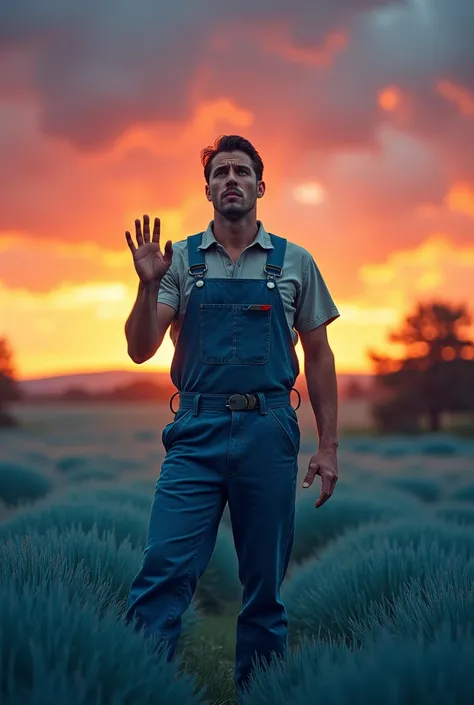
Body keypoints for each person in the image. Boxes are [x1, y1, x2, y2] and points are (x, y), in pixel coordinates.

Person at [123, 134, 340, 698]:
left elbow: (318, 356)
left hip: (269, 431)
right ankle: (143, 689)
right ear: (208, 190)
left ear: (260, 186)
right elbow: (141, 348)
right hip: (195, 434)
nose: (232, 180)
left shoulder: (296, 261)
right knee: (162, 573)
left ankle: (258, 693)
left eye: (241, 171)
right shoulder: (179, 263)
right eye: (221, 173)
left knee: (264, 588)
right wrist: (147, 288)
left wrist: (328, 446)